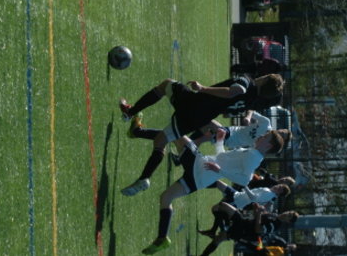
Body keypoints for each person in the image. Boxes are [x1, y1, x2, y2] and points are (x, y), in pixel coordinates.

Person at [119, 74, 284, 196]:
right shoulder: (251, 101)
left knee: (166, 85)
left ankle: (129, 113)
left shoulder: (247, 82)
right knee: (162, 140)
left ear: (265, 79)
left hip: (194, 104)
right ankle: (144, 179)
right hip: (199, 118)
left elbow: (235, 91)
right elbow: (228, 111)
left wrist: (203, 88)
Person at [140, 128, 285, 254]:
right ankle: (162, 238)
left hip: (200, 167)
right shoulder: (252, 153)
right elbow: (221, 158)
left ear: (268, 146)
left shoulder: (254, 157)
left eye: (265, 137)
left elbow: (244, 180)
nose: (261, 136)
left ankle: (137, 132)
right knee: (166, 198)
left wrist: (220, 170)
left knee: (174, 133)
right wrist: (220, 141)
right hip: (201, 178)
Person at [197, 202, 299, 256]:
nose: (287, 214)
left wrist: (259, 213)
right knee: (219, 206)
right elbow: (257, 218)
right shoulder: (275, 215)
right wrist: (256, 209)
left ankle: (221, 229)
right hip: (244, 223)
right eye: (289, 212)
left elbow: (258, 230)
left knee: (219, 238)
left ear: (288, 221)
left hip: (244, 232)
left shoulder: (275, 225)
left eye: (289, 216)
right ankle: (215, 230)